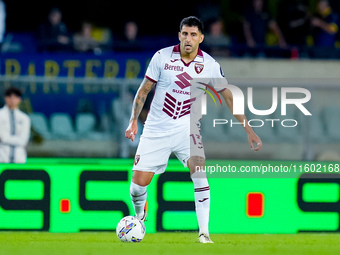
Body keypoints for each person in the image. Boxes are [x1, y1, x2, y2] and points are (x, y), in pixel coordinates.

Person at [125, 16, 262, 243]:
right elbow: (143, 91)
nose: (188, 39)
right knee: (137, 187)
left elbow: (228, 95)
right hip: (156, 128)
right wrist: (133, 121)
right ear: (179, 35)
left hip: (186, 129)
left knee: (200, 175)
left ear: (201, 38)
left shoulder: (209, 64)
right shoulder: (161, 57)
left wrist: (248, 129)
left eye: (193, 35)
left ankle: (204, 234)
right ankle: (139, 215)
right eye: (184, 34)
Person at [0, 87, 31, 163]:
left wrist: (7, 139)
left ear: (19, 99)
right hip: (2, 158)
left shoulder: (25, 118)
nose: (12, 100)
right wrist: (17, 140)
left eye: (15, 97)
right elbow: (3, 137)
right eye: (10, 97)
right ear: (5, 98)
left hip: (19, 159)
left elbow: (24, 140)